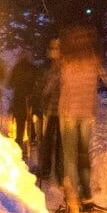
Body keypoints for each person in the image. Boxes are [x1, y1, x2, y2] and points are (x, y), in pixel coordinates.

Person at [57, 23, 107, 213]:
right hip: (87, 113)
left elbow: (57, 82)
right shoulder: (94, 59)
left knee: (70, 158)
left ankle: (71, 199)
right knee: (83, 155)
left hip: (67, 114)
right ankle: (87, 198)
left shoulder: (66, 60)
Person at [38, 37, 64, 186]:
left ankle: (57, 173)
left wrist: (45, 92)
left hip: (61, 110)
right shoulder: (54, 67)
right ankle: (49, 170)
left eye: (55, 49)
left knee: (57, 143)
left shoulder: (60, 67)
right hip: (54, 110)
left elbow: (49, 85)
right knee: (50, 141)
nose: (53, 53)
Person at [8, 49, 37, 153]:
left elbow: (10, 83)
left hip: (19, 98)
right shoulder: (33, 68)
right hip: (29, 98)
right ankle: (32, 140)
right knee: (29, 120)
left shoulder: (17, 67)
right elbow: (36, 82)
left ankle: (19, 143)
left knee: (20, 122)